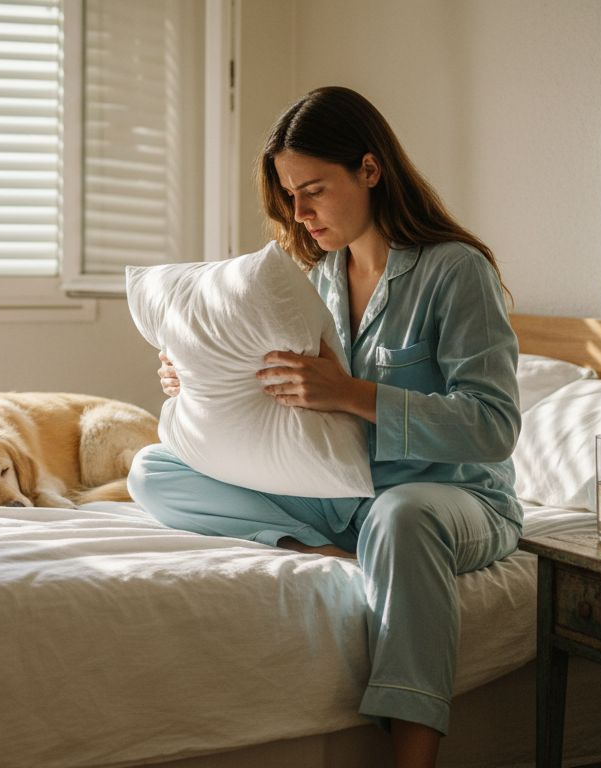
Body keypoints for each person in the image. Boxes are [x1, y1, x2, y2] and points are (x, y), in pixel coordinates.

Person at [127, 86, 521, 768]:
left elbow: (492, 428)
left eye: (313, 190)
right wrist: (195, 379)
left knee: (401, 518)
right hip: (338, 497)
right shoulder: (315, 278)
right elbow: (276, 393)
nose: (299, 213)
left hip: (447, 499)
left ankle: (413, 757)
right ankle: (321, 548)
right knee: (153, 469)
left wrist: (354, 395)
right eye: (288, 195)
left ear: (370, 170)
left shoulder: (456, 272)